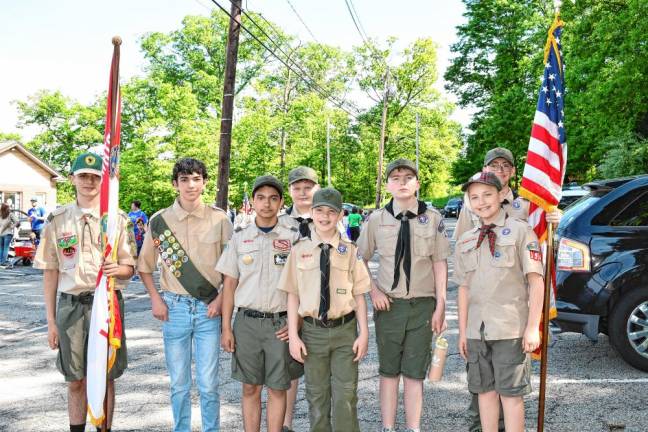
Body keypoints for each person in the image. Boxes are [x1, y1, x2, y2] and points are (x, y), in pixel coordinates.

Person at [454, 147, 561, 432]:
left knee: (511, 397)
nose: (481, 202)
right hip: (477, 332)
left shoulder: (519, 230)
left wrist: (532, 328)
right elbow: (463, 288)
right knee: (485, 394)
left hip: (510, 330)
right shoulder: (466, 238)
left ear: (502, 194)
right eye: (474, 197)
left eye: (487, 195)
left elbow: (535, 280)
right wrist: (463, 331)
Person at [33, 151, 136, 432]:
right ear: (72, 179)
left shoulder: (116, 220)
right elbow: (50, 271)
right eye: (83, 176)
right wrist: (51, 322)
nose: (89, 181)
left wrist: (120, 269)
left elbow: (130, 267)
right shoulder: (58, 220)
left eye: (95, 177)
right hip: (71, 307)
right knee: (75, 379)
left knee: (106, 377)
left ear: (103, 182)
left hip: (107, 306)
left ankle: (105, 429)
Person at [137, 157, 232, 432]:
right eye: (184, 179)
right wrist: (155, 298)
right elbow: (144, 267)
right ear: (175, 184)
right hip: (174, 308)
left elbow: (232, 270)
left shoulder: (220, 219)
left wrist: (220, 299)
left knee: (208, 383)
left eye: (196, 179)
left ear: (204, 182)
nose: (191, 185)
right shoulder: (159, 222)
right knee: (179, 384)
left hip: (208, 309)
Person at [357, 158, 449, 432]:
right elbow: (358, 258)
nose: (402, 182)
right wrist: (373, 290)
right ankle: (387, 427)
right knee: (388, 371)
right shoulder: (376, 219)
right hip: (390, 306)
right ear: (388, 185)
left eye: (408, 177)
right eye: (395, 178)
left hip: (422, 305)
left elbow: (439, 262)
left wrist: (441, 303)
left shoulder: (432, 218)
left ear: (417, 184)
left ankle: (413, 427)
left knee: (414, 372)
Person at [278, 187, 370, 432]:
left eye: (331, 212)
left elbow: (359, 294)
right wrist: (294, 336)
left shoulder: (350, 251)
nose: (325, 216)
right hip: (312, 333)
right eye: (319, 210)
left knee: (346, 396)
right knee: (316, 397)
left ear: (340, 215)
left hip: (345, 332)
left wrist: (364, 333)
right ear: (311, 213)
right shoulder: (299, 250)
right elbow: (292, 296)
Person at [217, 175, 300, 432]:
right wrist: (227, 328)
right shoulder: (240, 239)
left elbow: (303, 286)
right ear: (252, 202)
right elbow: (229, 286)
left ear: (281, 202)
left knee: (278, 387)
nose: (267, 204)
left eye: (273, 198)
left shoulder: (293, 238)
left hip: (281, 324)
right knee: (250, 387)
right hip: (247, 324)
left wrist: (297, 326)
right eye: (261, 198)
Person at [276, 165, 319, 432]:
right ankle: (286, 425)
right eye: (297, 188)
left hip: (318, 307)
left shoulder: (329, 218)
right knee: (288, 372)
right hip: (286, 306)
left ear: (317, 188)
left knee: (319, 373)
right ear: (290, 191)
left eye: (308, 187)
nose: (302, 193)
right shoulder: (279, 222)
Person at [454, 147, 561, 241]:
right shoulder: (472, 205)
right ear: (484, 170)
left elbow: (543, 236)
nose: (500, 170)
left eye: (505, 165)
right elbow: (462, 242)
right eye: (494, 165)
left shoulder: (527, 204)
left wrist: (555, 222)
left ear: (513, 171)